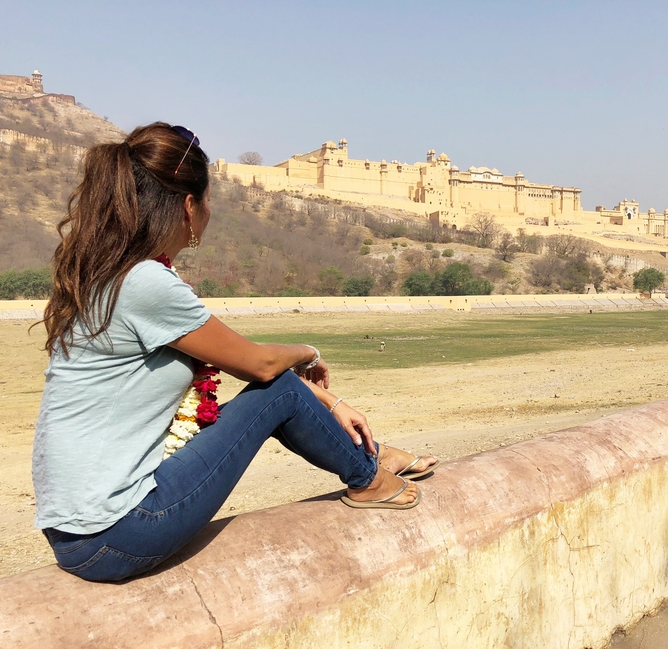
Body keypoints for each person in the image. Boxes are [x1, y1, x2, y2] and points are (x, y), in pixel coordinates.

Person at [32, 122, 437, 583]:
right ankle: (370, 479)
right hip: (116, 532)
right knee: (280, 391)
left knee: (281, 390)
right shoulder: (144, 282)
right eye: (208, 201)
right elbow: (261, 367)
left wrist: (329, 399)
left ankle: (373, 456)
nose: (209, 212)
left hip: (78, 530)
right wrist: (309, 352)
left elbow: (246, 363)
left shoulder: (110, 274)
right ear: (189, 207)